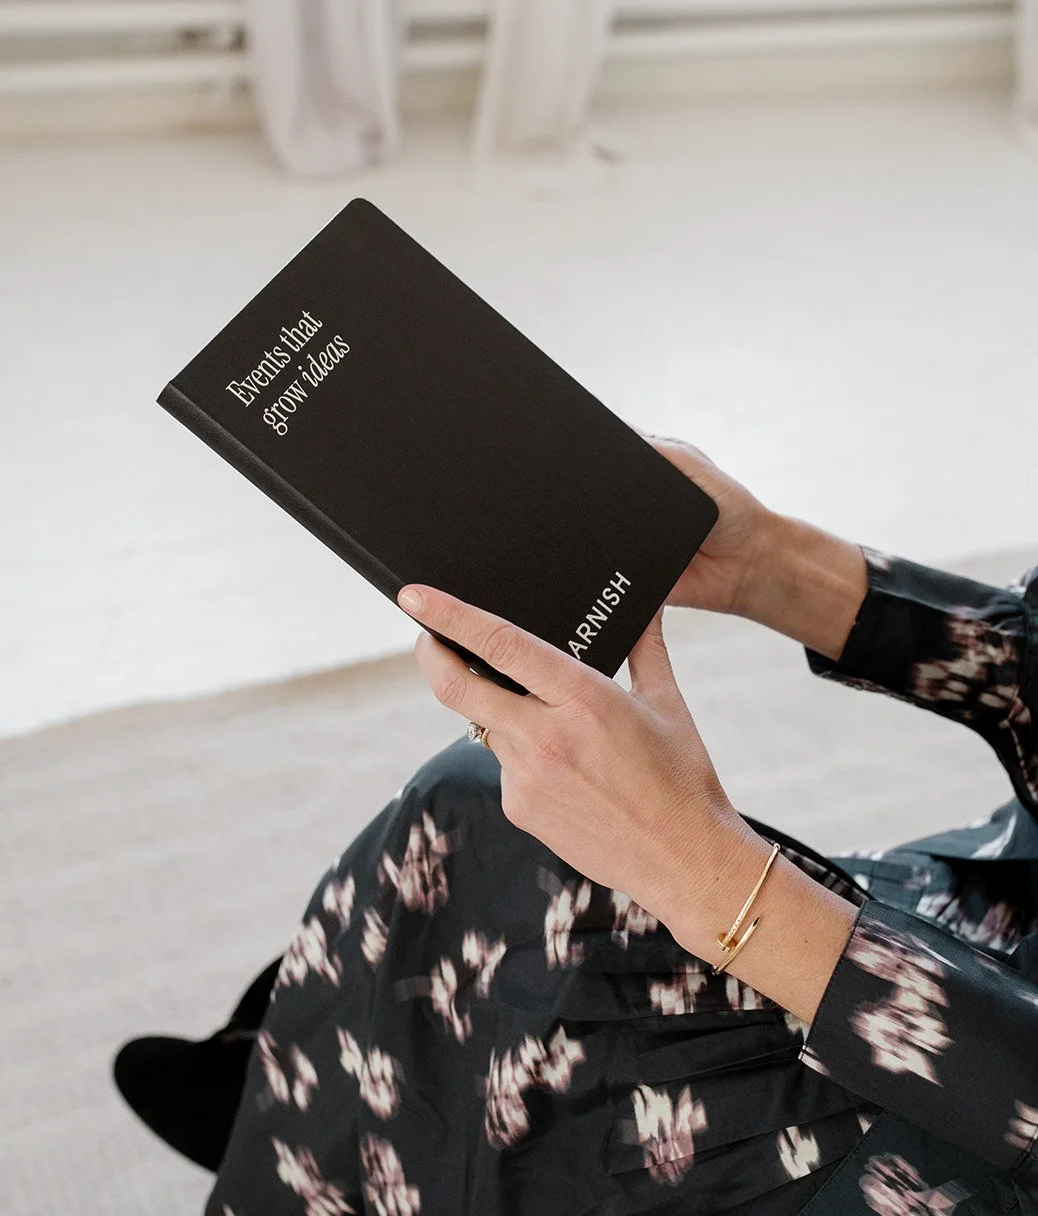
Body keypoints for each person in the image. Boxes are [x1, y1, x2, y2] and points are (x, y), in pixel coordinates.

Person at [114, 437, 1038, 1215]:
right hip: (993, 924)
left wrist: (710, 876)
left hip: (973, 1111)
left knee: (506, 841)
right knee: (485, 822)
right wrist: (770, 563)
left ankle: (345, 1110)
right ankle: (329, 1101)